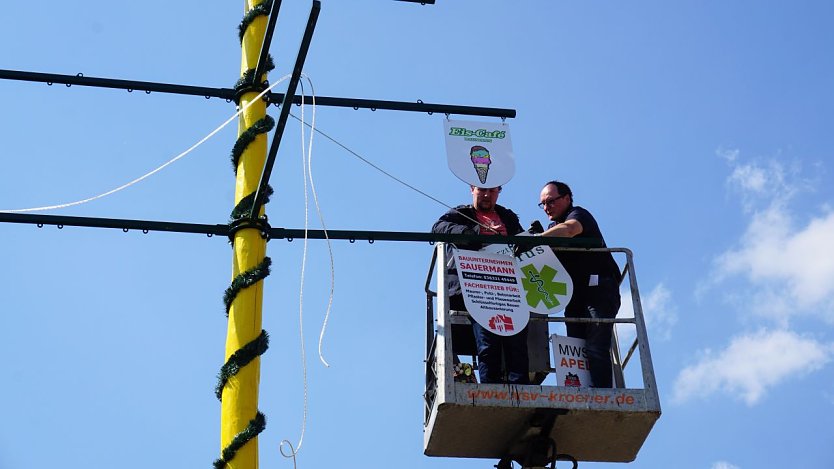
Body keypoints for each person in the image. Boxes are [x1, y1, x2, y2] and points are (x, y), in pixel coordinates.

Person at [431, 185, 530, 385]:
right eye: (482, 190)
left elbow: (523, 244)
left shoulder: (508, 217)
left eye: (492, 191)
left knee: (517, 338)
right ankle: (490, 387)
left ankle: (520, 386)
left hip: (507, 287)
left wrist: (530, 238)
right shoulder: (461, 214)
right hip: (476, 288)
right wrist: (472, 233)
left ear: (499, 192)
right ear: (472, 189)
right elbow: (438, 228)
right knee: (488, 340)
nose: (486, 195)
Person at [536, 180, 621, 388]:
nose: (546, 207)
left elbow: (569, 230)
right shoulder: (552, 228)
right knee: (577, 349)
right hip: (576, 296)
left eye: (550, 201)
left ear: (566, 198)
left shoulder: (579, 214)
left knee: (595, 347)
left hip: (598, 290)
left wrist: (535, 240)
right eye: (543, 204)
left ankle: (602, 396)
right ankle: (584, 393)